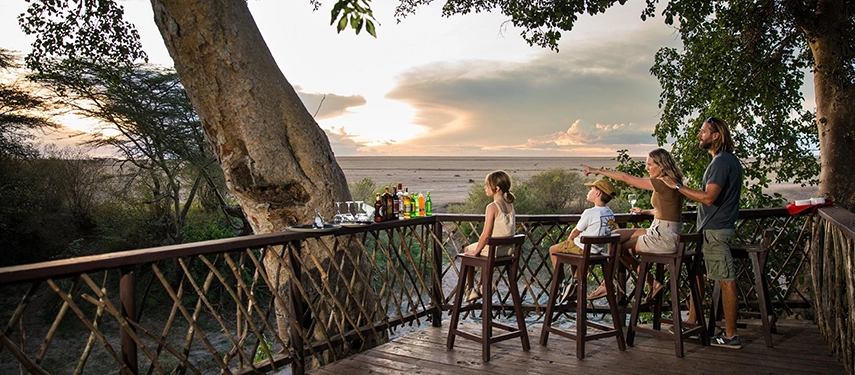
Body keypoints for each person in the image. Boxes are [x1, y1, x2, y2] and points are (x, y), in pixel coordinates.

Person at [660, 116, 744, 349]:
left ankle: (731, 336)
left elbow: (709, 197)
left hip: (716, 230)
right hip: (711, 229)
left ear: (715, 136)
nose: (700, 135)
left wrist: (676, 187)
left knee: (726, 281)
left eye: (704, 131)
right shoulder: (727, 160)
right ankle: (691, 321)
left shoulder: (720, 162)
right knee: (698, 275)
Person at [581, 148, 685, 301]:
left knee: (619, 247)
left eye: (649, 164)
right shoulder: (673, 182)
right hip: (664, 231)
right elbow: (667, 212)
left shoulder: (662, 182)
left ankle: (612, 284)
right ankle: (609, 283)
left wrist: (596, 170)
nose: (646, 168)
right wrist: (645, 211)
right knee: (614, 236)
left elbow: (626, 178)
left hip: (663, 237)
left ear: (661, 166)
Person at [548, 178, 617, 303]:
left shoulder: (590, 212)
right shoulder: (610, 213)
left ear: (598, 193)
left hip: (582, 248)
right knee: (572, 253)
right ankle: (575, 282)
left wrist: (569, 239)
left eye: (591, 189)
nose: (588, 192)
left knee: (553, 250)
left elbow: (577, 230)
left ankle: (563, 284)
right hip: (596, 251)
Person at [462, 170, 517, 302]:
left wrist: (475, 252)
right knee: (483, 252)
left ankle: (471, 289)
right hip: (507, 250)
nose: (485, 187)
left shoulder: (492, 207)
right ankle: (482, 285)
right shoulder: (510, 205)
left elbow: (485, 234)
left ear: (496, 188)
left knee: (467, 250)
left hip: (493, 250)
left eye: (487, 185)